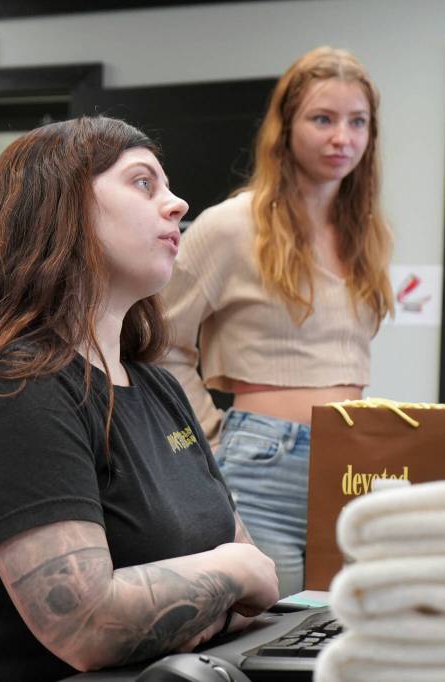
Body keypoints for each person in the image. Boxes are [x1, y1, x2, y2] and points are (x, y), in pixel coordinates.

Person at [0, 116, 280, 682]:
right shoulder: (16, 387)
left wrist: (204, 592)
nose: (178, 204)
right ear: (62, 209)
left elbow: (258, 584)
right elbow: (87, 624)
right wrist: (228, 572)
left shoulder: (158, 386)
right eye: (144, 183)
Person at [157, 46, 394, 599]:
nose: (343, 139)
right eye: (323, 119)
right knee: (268, 641)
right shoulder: (230, 227)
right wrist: (207, 441)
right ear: (285, 129)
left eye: (358, 122)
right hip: (263, 465)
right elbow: (158, 344)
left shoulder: (367, 235)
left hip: (353, 464)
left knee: (342, 637)